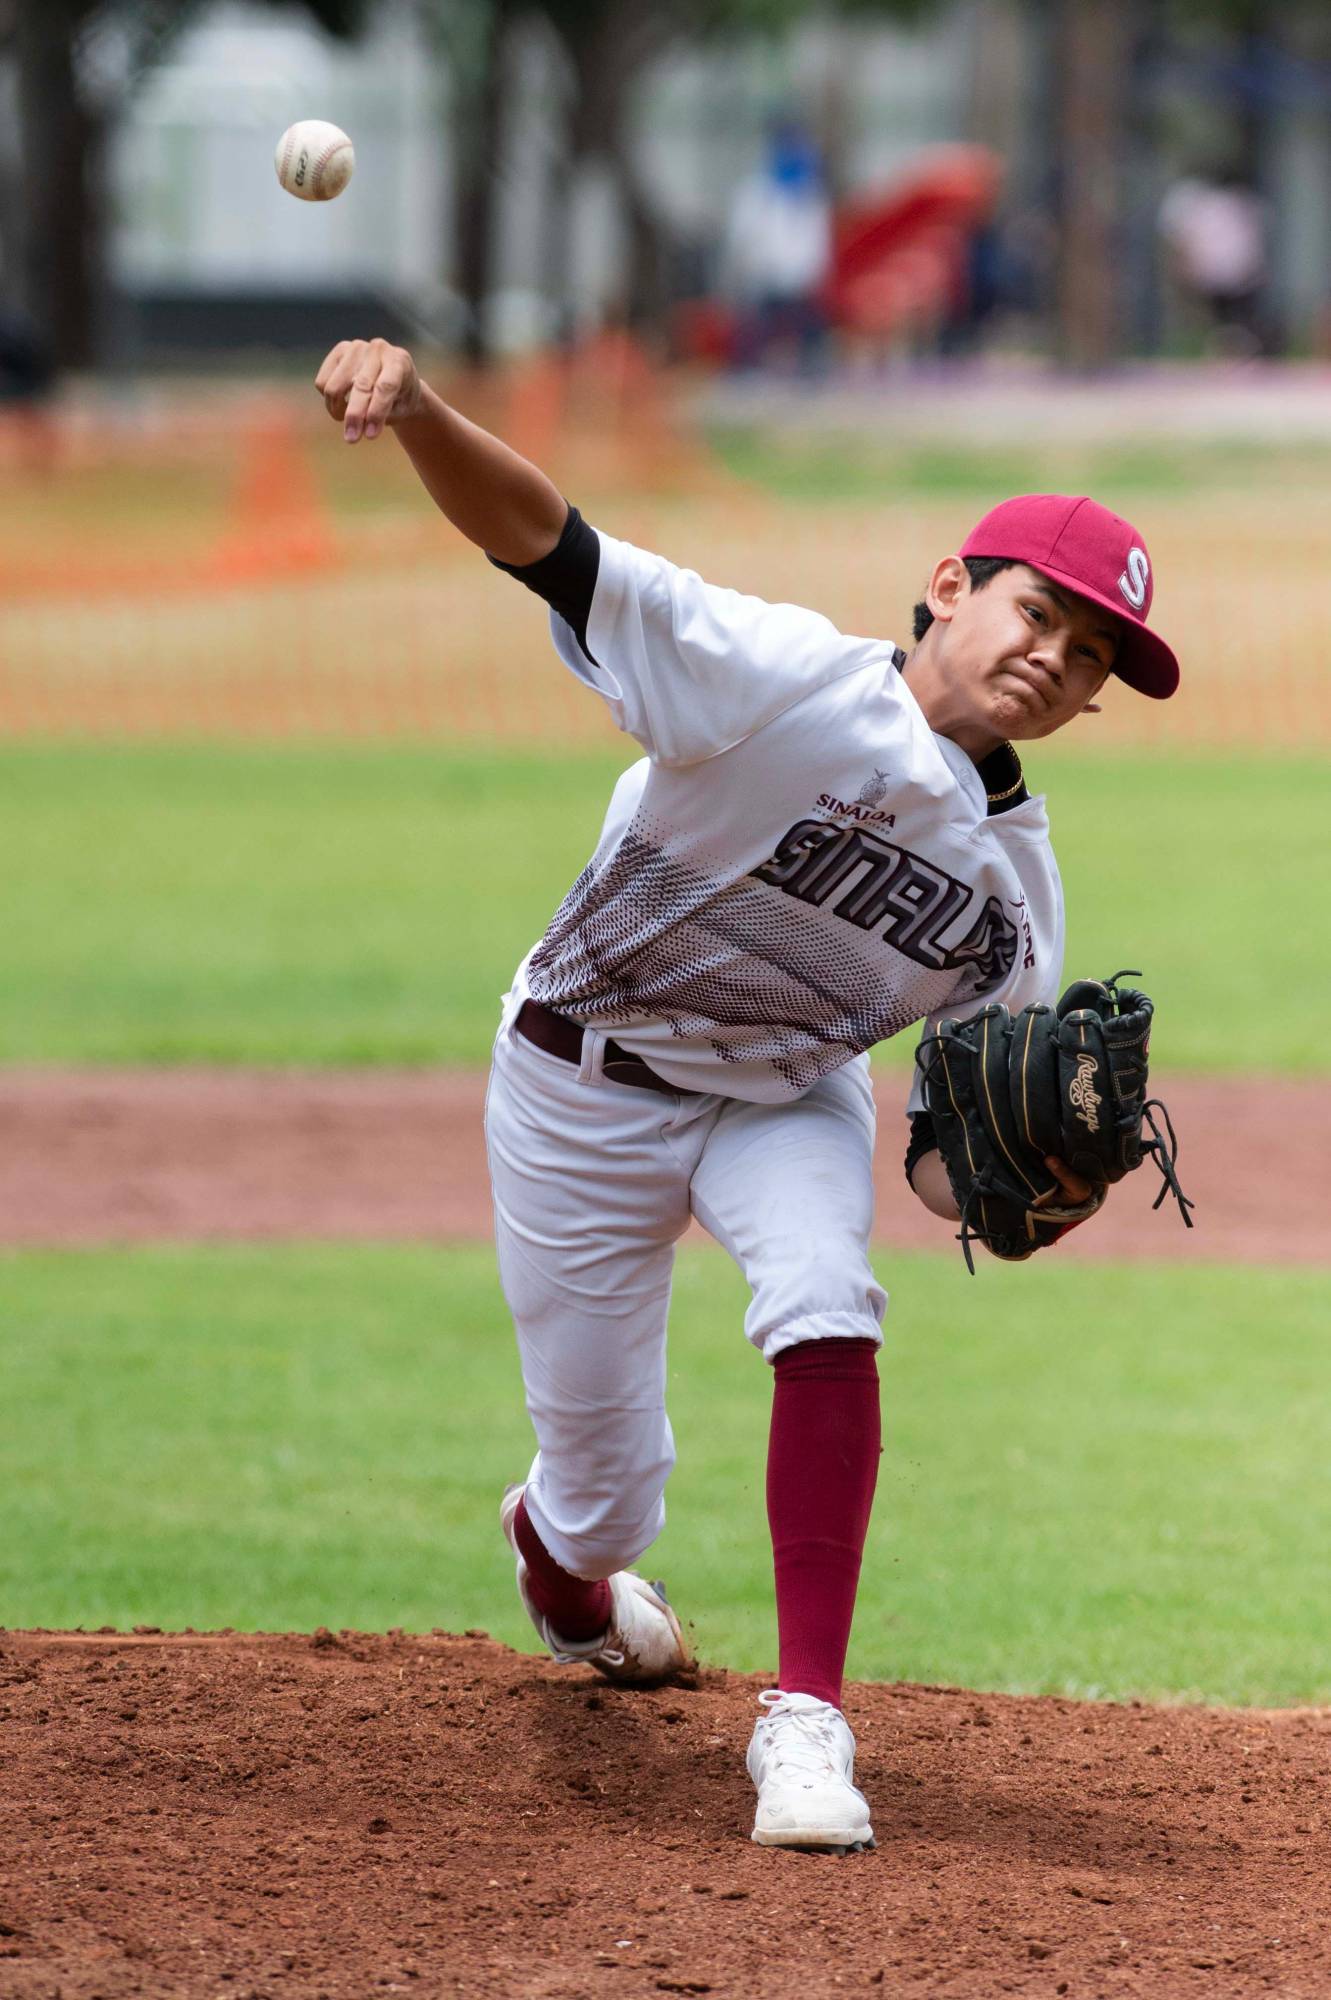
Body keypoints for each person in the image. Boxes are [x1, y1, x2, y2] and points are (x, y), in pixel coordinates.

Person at [313, 337, 1180, 1852]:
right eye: (1040, 612)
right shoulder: (770, 674)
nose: (1056, 656)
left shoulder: (1017, 902)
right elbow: (552, 548)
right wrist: (420, 411)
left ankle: (807, 1725)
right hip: (577, 1078)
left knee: (830, 1302)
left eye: (1092, 654)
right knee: (602, 1497)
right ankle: (563, 1569)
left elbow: (937, 1158)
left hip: (782, 1094)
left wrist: (1038, 1184)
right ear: (948, 586)